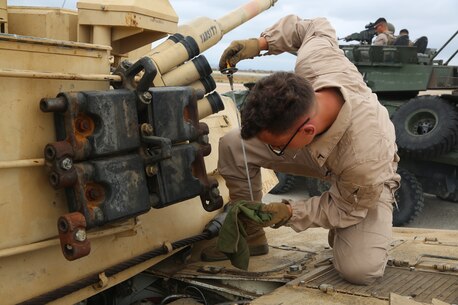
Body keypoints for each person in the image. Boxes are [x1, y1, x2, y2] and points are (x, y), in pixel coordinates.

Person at [203, 15, 401, 285]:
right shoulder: (314, 62)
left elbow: (346, 208)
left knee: (359, 269)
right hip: (317, 151)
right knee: (234, 144)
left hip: (362, 180)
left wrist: (289, 212)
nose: (270, 150)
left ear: (306, 132)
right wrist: (259, 43)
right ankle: (250, 234)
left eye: (275, 145)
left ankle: (354, 233)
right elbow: (313, 26)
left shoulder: (365, 158)